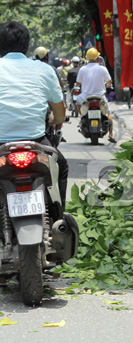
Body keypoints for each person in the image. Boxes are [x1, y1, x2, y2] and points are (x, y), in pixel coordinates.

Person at [0, 21, 68, 208]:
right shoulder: (45, 69)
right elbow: (60, 114)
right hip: (36, 142)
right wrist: (54, 119)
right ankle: (58, 218)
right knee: (61, 167)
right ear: (27, 46)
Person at [75, 47, 116, 143]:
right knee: (108, 113)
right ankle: (111, 134)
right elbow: (109, 81)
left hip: (85, 97)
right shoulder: (102, 68)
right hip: (100, 97)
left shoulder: (82, 69)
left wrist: (78, 85)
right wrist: (107, 85)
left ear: (87, 58)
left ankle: (81, 117)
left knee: (77, 102)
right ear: (97, 58)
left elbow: (78, 83)